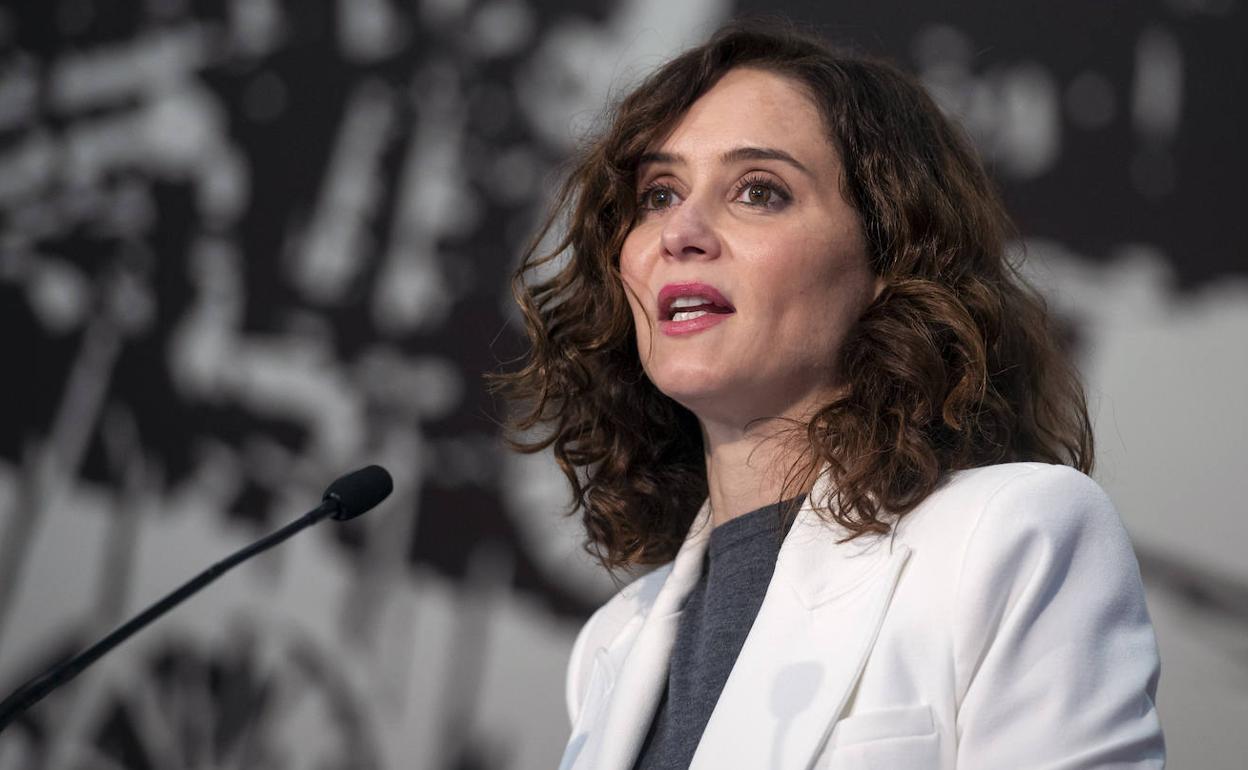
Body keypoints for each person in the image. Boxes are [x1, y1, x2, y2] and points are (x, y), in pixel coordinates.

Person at [493, 20, 1165, 770]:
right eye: (658, 194)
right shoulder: (612, 643)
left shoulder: (1013, 538)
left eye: (759, 191)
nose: (681, 230)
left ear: (888, 258)